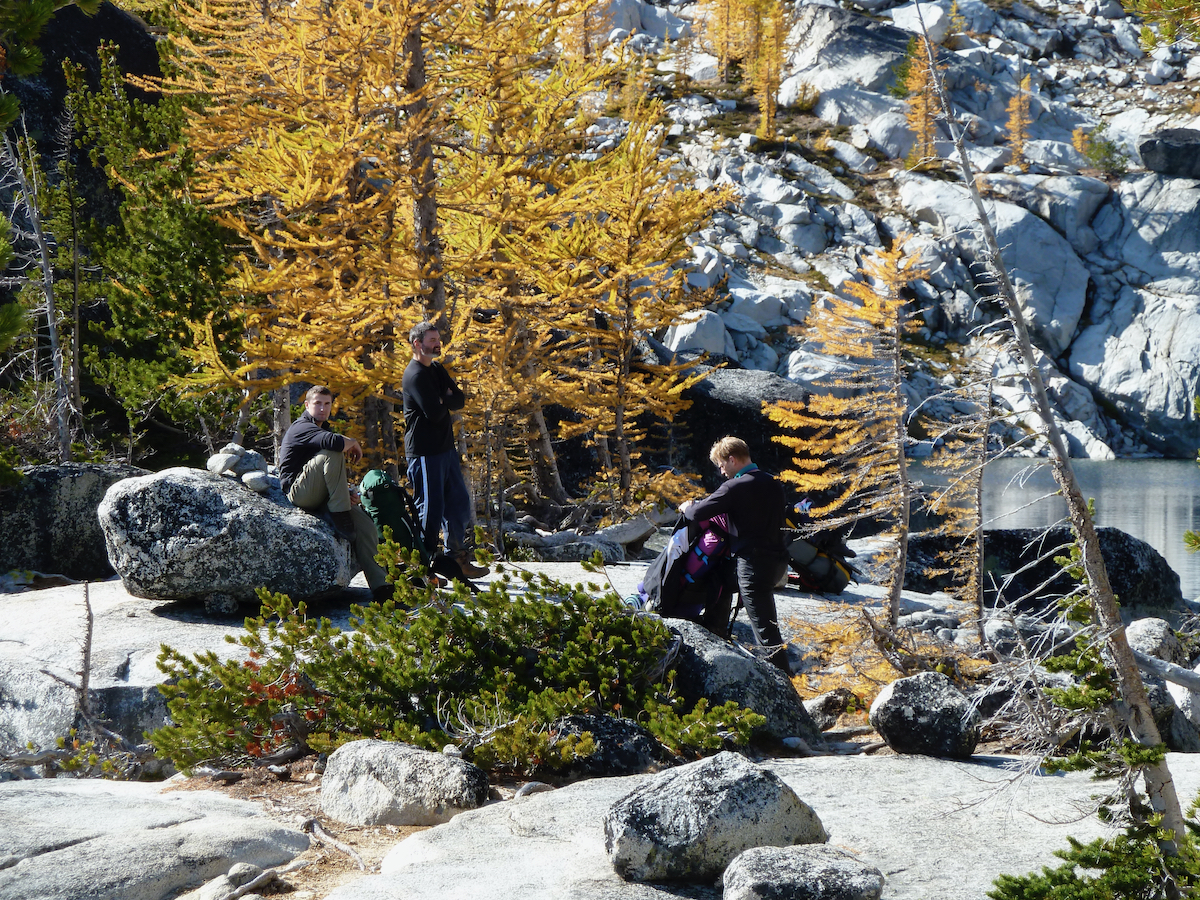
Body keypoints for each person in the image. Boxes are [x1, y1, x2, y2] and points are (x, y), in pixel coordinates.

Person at [679, 436, 792, 673]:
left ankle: (786, 683)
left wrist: (687, 507)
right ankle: (715, 631)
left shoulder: (735, 486)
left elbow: (699, 513)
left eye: (721, 465)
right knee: (720, 576)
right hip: (778, 562)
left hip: (753, 564)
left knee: (765, 629)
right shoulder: (772, 482)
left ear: (731, 460)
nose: (721, 472)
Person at [278, 385, 391, 599]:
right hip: (299, 493)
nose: (322, 408)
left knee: (366, 526)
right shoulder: (301, 427)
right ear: (307, 405)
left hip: (321, 495)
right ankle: (340, 515)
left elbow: (329, 470)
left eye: (327, 404)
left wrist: (345, 492)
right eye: (318, 403)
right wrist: (354, 442)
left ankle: (383, 588)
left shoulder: (323, 429)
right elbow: (334, 444)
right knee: (334, 450)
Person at [402, 321, 486, 578]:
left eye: (438, 339)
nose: (437, 344)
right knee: (430, 510)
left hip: (445, 450)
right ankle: (423, 568)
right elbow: (435, 413)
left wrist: (443, 398)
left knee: (458, 504)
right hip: (425, 453)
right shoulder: (415, 374)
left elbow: (458, 400)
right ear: (418, 344)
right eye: (432, 340)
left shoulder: (436, 369)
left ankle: (457, 560)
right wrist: (443, 399)